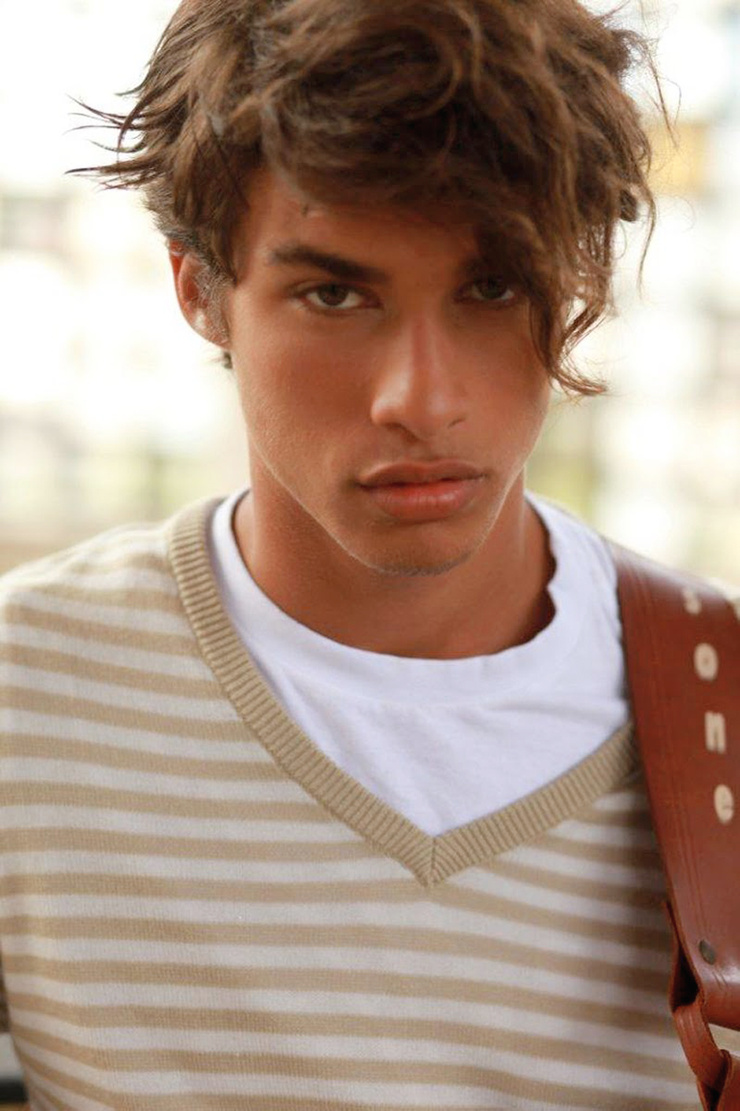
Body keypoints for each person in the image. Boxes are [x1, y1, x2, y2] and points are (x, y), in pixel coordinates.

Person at [0, 0, 735, 1108]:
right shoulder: (28, 689)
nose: (421, 399)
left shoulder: (722, 702)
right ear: (199, 289)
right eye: (335, 293)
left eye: (491, 287)